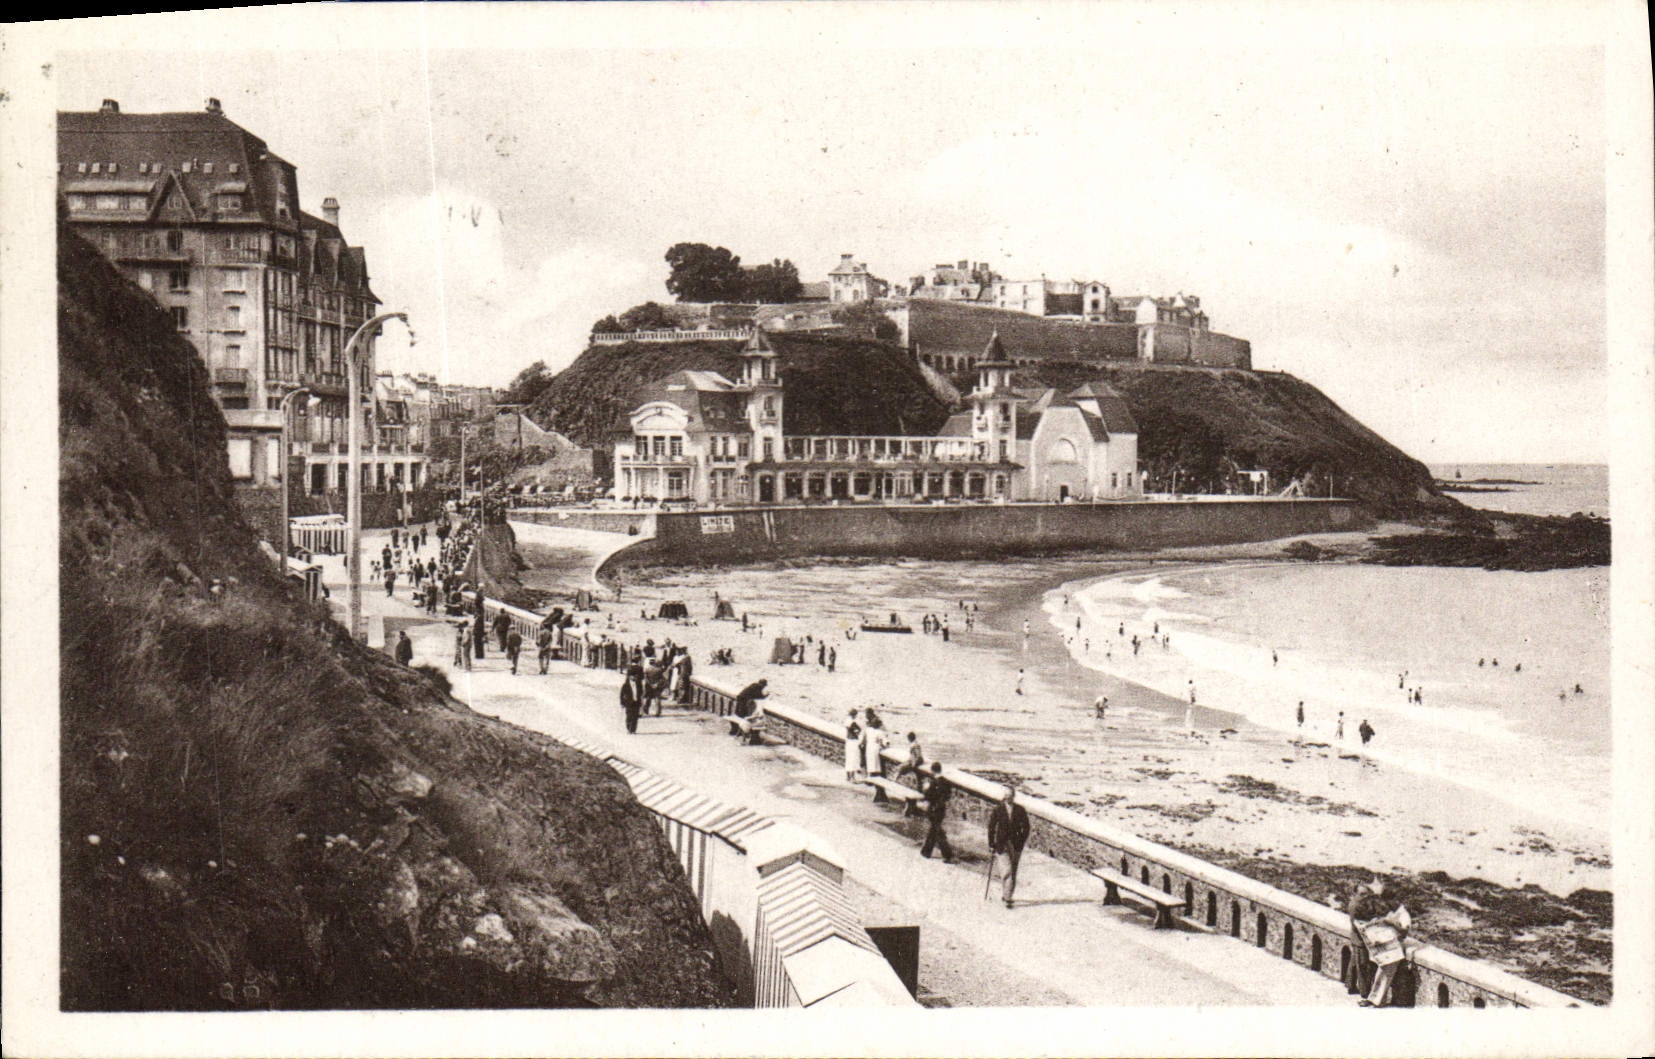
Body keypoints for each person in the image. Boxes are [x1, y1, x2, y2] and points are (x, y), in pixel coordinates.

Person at [988, 786, 1032, 907]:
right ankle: (1008, 897)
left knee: (1013, 870)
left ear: (1013, 796)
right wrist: (991, 844)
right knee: (1007, 870)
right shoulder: (998, 810)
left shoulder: (1020, 810)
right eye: (1006, 796)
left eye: (1010, 796)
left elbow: (1026, 827)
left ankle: (1007, 893)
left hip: (1015, 844)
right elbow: (991, 827)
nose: (1008, 798)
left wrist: (1021, 840)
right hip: (1001, 844)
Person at [920, 763, 956, 863]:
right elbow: (948, 796)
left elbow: (928, 796)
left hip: (933, 809)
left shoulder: (934, 783)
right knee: (935, 830)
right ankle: (926, 851)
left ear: (932, 771)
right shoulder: (946, 782)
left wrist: (925, 788)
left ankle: (946, 854)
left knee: (937, 831)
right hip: (941, 809)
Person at [620, 663, 644, 735]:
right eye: (632, 676)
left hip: (636, 702)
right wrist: (622, 702)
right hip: (629, 703)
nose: (634, 677)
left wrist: (641, 701)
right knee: (629, 716)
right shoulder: (626, 685)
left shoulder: (639, 684)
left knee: (635, 716)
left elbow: (641, 693)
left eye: (635, 676)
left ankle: (633, 730)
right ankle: (628, 728)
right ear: (629, 677)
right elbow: (621, 695)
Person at [845, 709, 864, 780]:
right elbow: (858, 730)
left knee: (848, 758)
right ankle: (852, 777)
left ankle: (848, 776)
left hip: (849, 740)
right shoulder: (852, 722)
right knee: (853, 758)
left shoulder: (847, 721)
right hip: (853, 741)